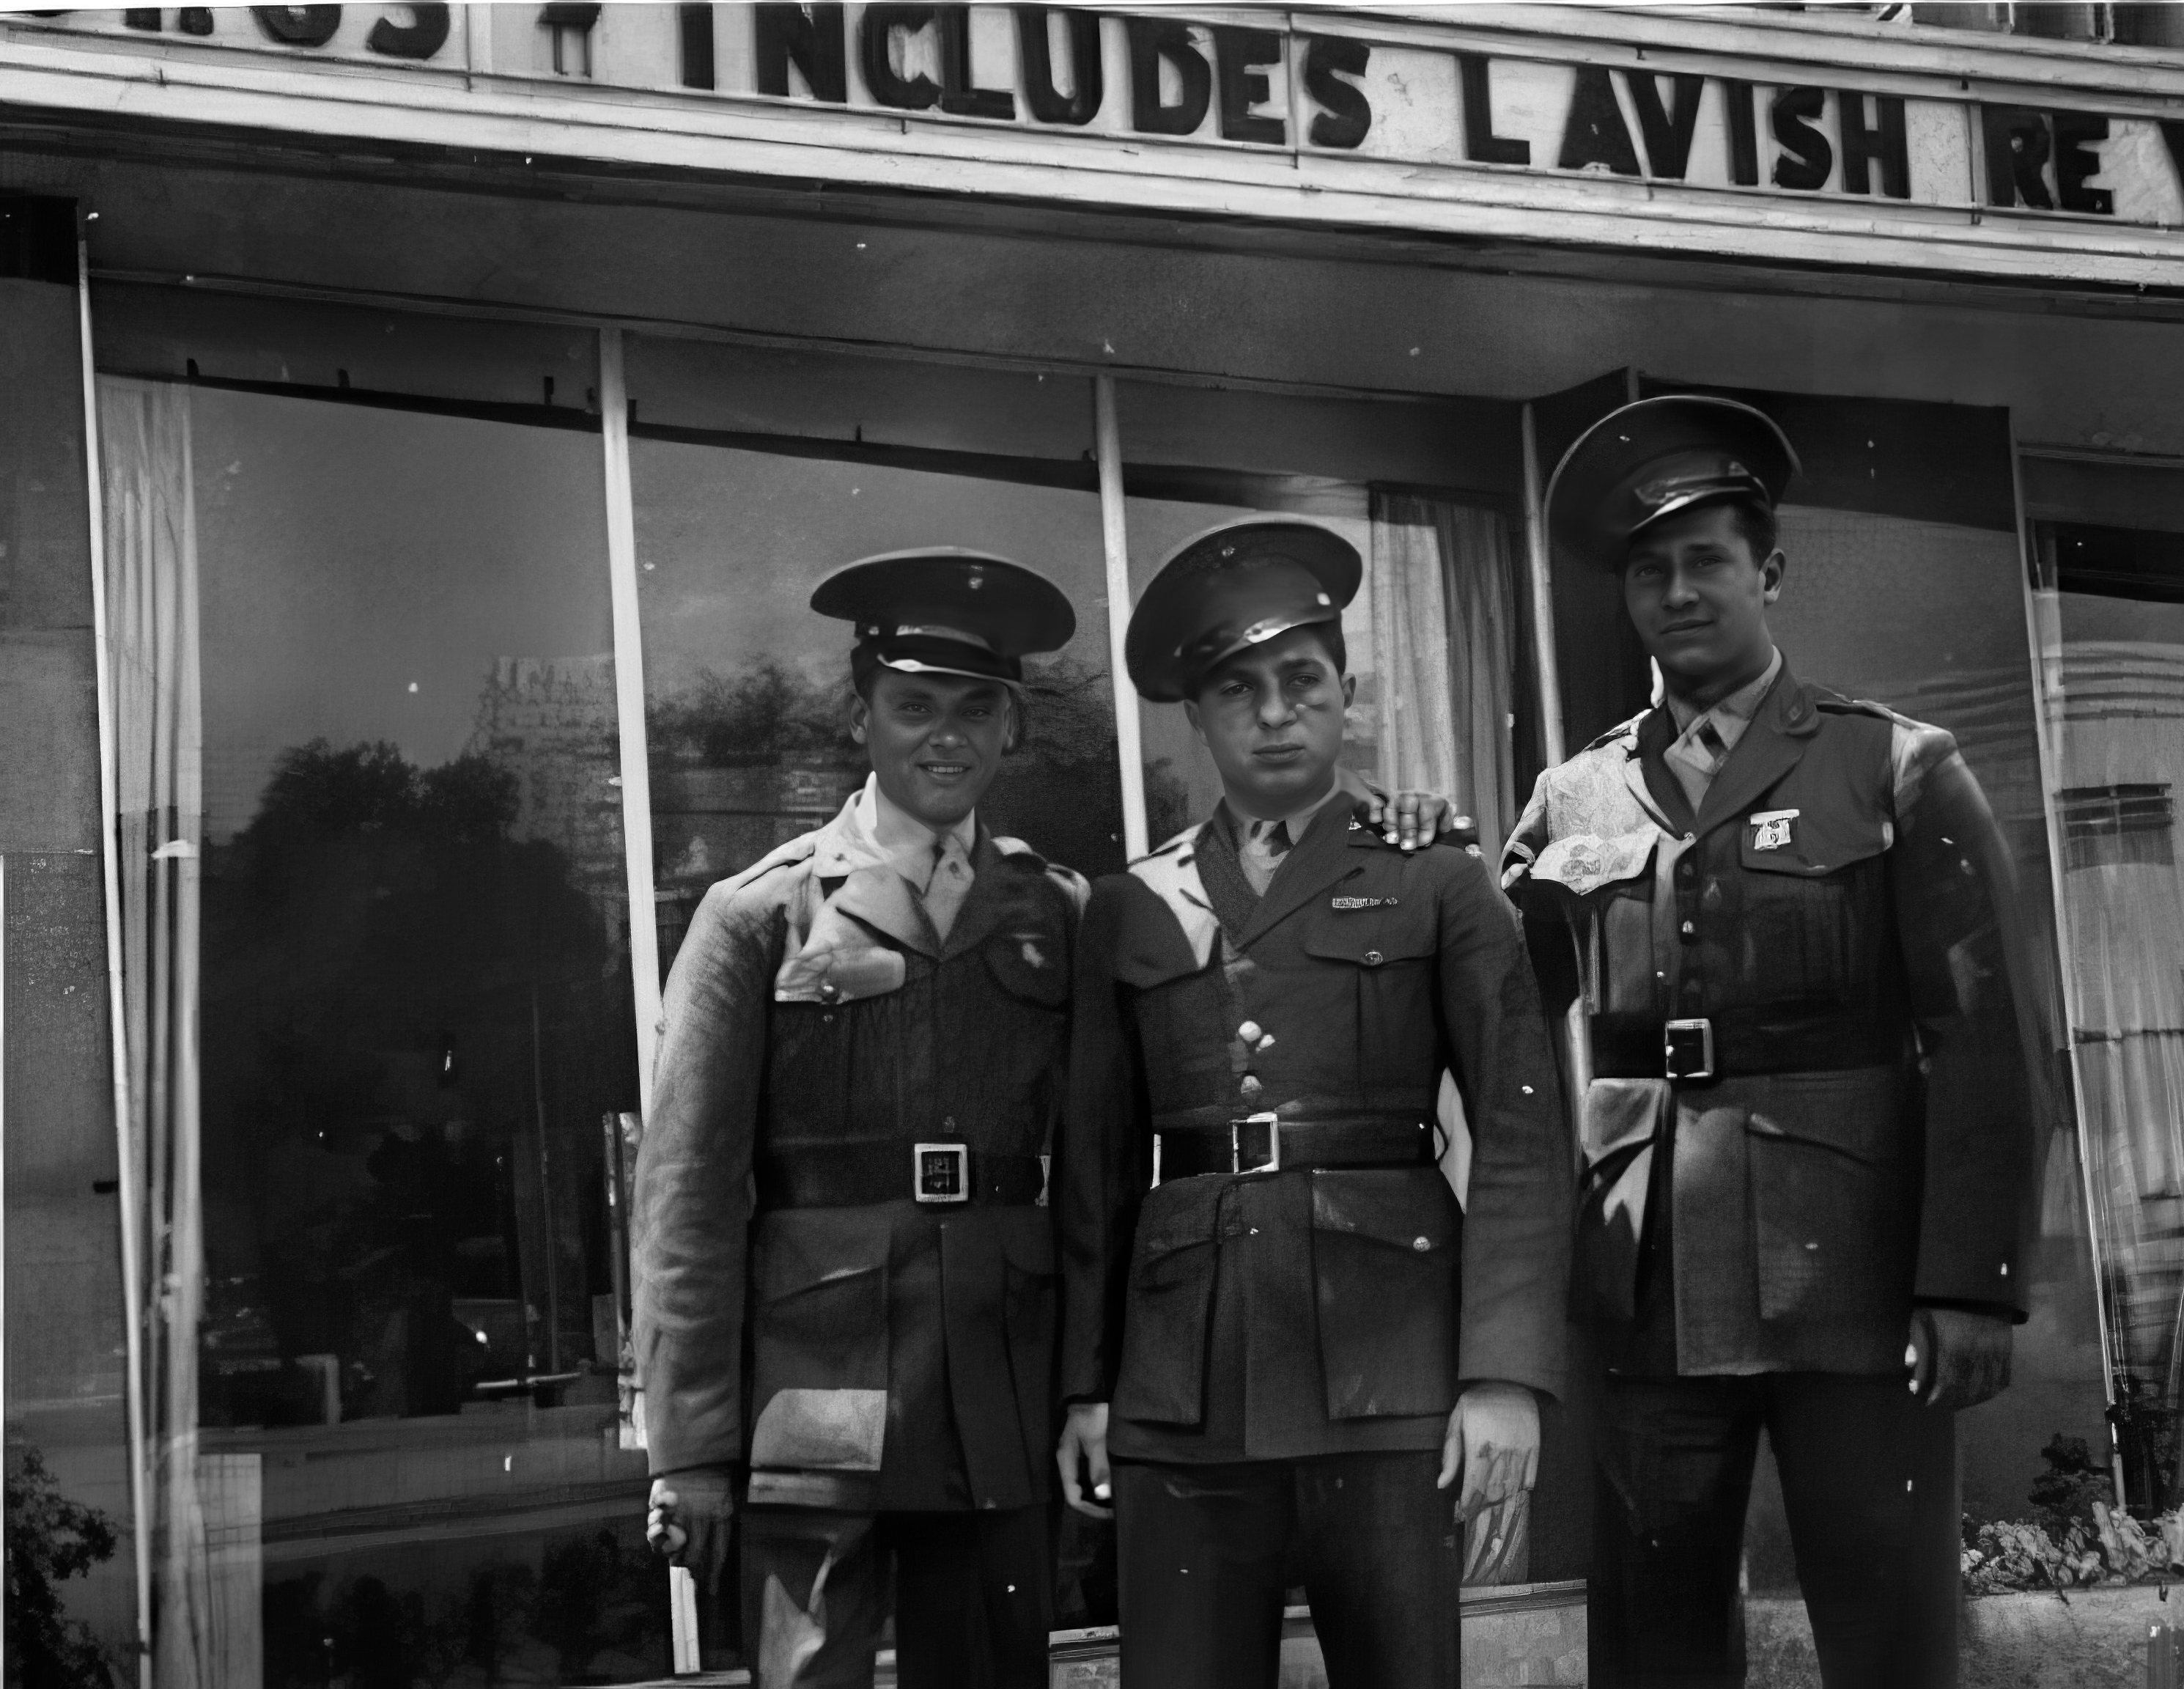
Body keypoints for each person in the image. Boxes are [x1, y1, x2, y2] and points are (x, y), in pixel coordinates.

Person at [630, 548, 1461, 1688]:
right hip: (816, 1393)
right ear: (857, 711)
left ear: (1014, 727)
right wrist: (688, 1448)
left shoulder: (1059, 911)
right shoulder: (756, 914)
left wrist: (1371, 806)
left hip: (994, 1386)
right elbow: (685, 1198)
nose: (947, 737)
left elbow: (1094, 1171)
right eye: (914, 705)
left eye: (979, 710)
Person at [1502, 397, 2047, 1688]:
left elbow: (1986, 1038)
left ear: (1770, 573)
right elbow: (1500, 1030)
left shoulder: (1896, 770)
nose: (1677, 591)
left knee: (1888, 1634)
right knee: (1653, 1642)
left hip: (1848, 1277)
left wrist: (1970, 1282)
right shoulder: (1570, 796)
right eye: (1648, 570)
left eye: (1707, 561)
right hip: (1645, 1288)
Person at [1054, 518, 1572, 1689]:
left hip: (1391, 1375)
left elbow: (1526, 1134)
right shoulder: (1130, 909)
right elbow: (1091, 1174)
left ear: (1347, 693)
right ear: (1196, 717)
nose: (1275, 712)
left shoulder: (1437, 877)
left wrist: (1503, 1374)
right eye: (1238, 690)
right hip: (1181, 1392)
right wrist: (1087, 1387)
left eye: (1302, 681)